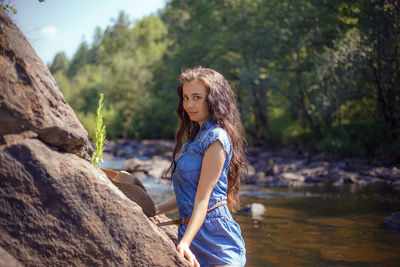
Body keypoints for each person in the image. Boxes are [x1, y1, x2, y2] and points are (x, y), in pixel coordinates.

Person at [155, 67, 247, 267]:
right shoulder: (195, 140)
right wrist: (154, 210)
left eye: (197, 97)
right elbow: (187, 194)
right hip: (192, 233)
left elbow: (203, 199)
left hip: (217, 241)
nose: (189, 104)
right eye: (186, 97)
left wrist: (185, 242)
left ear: (214, 99)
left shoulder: (217, 138)